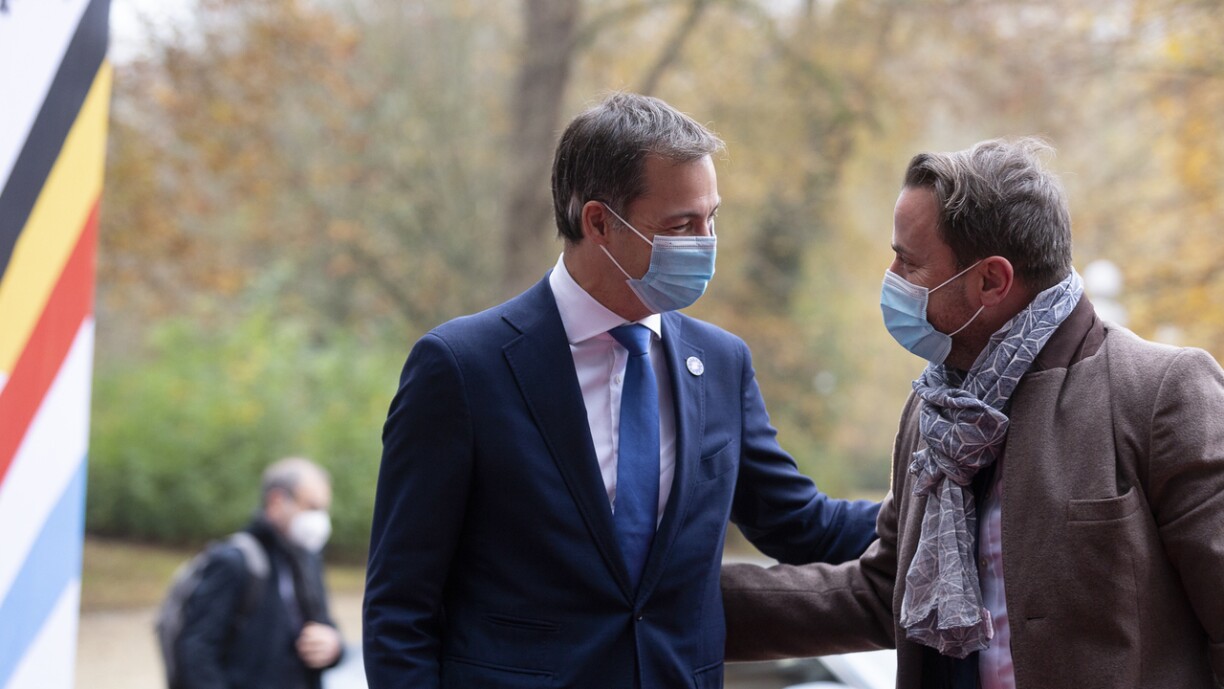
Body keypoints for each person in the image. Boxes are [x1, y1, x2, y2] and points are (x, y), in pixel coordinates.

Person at [362, 91, 880, 689]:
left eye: (712, 218)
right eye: (682, 224)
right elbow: (400, 606)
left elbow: (802, 525)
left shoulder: (720, 363)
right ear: (599, 222)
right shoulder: (461, 368)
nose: (706, 241)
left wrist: (952, 509)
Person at [721, 138, 1224, 688]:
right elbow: (882, 590)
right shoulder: (933, 409)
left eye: (908, 263)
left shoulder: (1160, 392)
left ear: (992, 280)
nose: (890, 278)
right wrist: (657, 599)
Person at [177, 457, 343, 689]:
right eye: (312, 507)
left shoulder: (309, 559)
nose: (320, 519)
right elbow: (197, 651)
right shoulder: (234, 561)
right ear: (276, 501)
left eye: (324, 509)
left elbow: (325, 626)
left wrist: (334, 646)